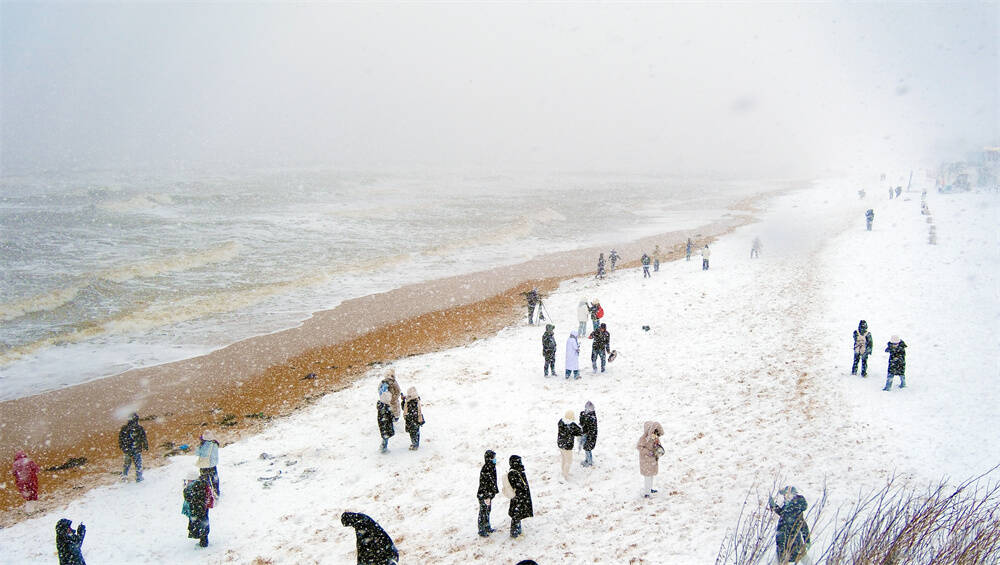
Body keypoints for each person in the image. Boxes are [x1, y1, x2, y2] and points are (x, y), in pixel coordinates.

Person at [768, 486, 813, 564]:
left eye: (786, 495)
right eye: (784, 495)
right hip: (788, 541)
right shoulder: (792, 506)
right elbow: (783, 513)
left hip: (790, 542)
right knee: (804, 559)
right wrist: (774, 506)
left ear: (792, 495)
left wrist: (807, 540)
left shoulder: (794, 508)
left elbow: (802, 525)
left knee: (781, 560)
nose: (785, 497)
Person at [183, 471, 215, 547]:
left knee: (198, 525)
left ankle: (202, 541)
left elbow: (188, 497)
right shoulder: (203, 483)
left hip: (196, 509)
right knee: (204, 524)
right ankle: (204, 540)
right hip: (203, 508)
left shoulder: (192, 487)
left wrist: (185, 489)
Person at [507, 455, 533, 538]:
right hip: (518, 498)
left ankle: (517, 530)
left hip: (520, 497)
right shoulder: (514, 472)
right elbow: (518, 486)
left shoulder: (518, 471)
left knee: (518, 514)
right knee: (516, 515)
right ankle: (514, 532)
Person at [636, 421, 664, 498]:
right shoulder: (643, 438)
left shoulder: (655, 438)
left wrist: (658, 448)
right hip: (646, 461)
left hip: (653, 461)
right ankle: (647, 493)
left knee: (651, 476)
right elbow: (639, 447)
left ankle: (649, 489)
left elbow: (658, 446)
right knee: (647, 477)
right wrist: (648, 452)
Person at [118, 413, 148, 482]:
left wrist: (122, 446)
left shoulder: (124, 428)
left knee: (127, 464)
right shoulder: (139, 428)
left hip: (127, 449)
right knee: (138, 464)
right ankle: (139, 477)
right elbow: (144, 438)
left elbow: (120, 439)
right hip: (136, 449)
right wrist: (145, 445)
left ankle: (124, 476)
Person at [477, 449, 498, 537]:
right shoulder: (486, 468)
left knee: (487, 511)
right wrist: (486, 495)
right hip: (485, 495)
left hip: (488, 494)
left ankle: (487, 526)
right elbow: (484, 483)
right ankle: (482, 529)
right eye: (493, 458)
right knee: (483, 511)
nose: (495, 459)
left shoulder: (492, 467)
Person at [557, 410, 583, 480]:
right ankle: (565, 475)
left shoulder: (561, 422)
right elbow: (580, 432)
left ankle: (563, 472)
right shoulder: (571, 425)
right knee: (569, 461)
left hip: (560, 444)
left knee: (564, 459)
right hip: (567, 446)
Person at [195, 430, 221, 497]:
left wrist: (199, 445)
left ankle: (208, 494)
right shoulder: (215, 444)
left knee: (205, 480)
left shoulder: (203, 445)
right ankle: (216, 492)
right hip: (212, 465)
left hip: (204, 465)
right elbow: (215, 455)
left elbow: (197, 453)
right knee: (214, 479)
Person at [579, 401, 598, 467]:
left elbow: (591, 428)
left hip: (589, 436)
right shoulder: (586, 414)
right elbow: (581, 423)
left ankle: (589, 462)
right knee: (586, 448)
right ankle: (587, 460)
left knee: (587, 449)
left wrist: (590, 438)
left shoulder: (592, 418)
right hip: (585, 434)